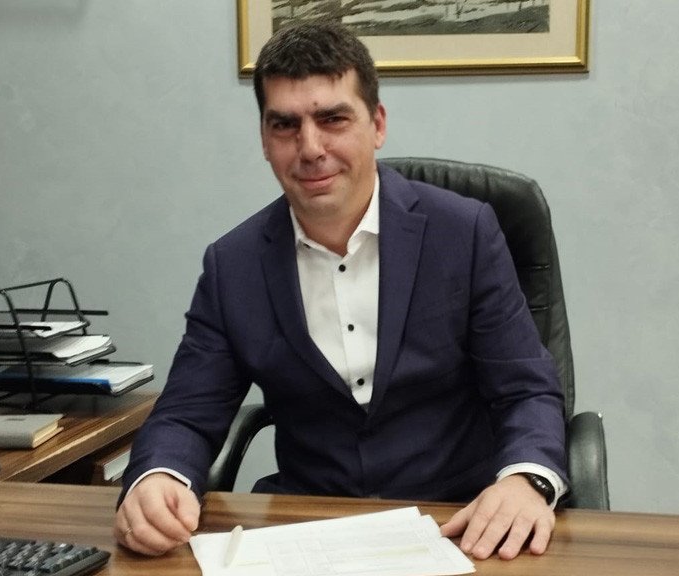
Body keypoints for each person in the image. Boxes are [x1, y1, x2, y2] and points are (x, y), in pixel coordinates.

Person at [114, 20, 568, 562]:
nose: (310, 148)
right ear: (264, 139)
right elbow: (187, 413)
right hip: (307, 530)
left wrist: (524, 480)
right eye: (285, 125)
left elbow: (525, 389)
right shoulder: (233, 265)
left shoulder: (463, 233)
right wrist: (157, 477)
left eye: (333, 119)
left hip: (457, 523)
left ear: (377, 124)